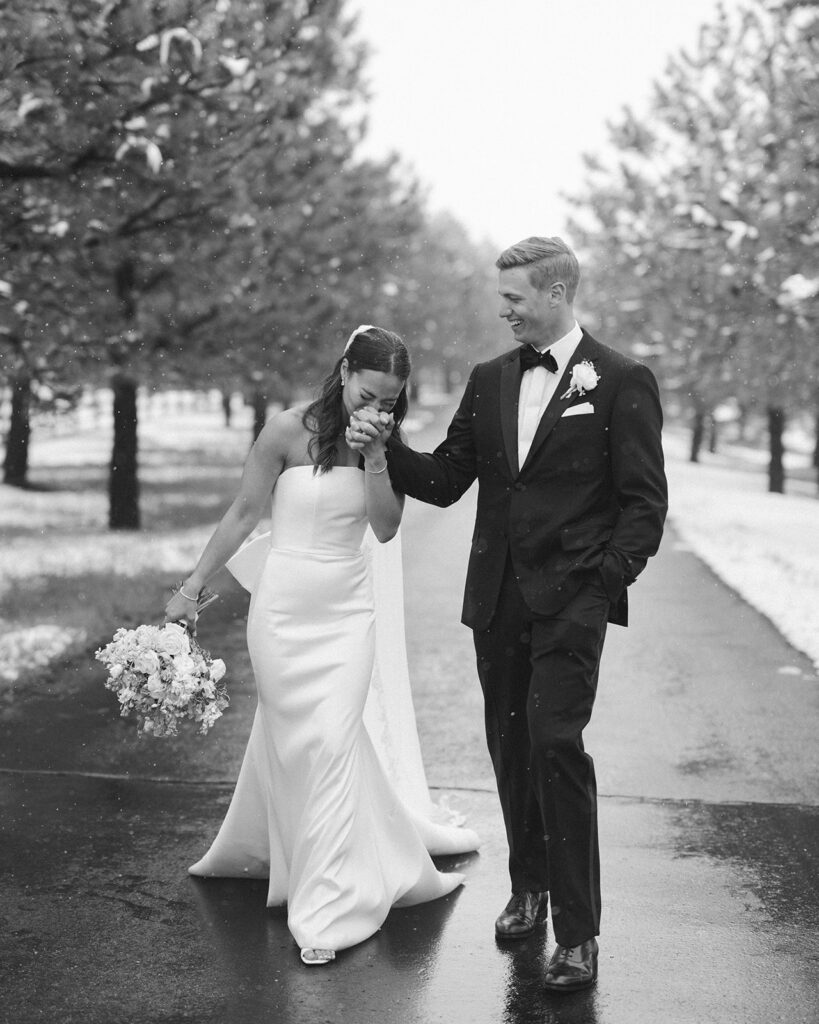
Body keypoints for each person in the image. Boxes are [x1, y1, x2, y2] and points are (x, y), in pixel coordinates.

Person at [347, 237, 667, 992]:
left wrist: (601, 582)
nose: (504, 310)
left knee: (556, 744)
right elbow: (447, 479)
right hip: (496, 599)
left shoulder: (620, 380)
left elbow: (643, 504)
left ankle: (579, 934)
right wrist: (386, 446)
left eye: (515, 298)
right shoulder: (489, 379)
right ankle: (529, 887)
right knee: (510, 746)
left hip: (571, 604)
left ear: (555, 293)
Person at [165, 325, 479, 966]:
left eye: (389, 402)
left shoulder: (386, 444)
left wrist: (378, 457)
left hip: (346, 613)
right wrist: (192, 585)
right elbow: (244, 513)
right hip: (282, 610)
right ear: (344, 373)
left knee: (333, 743)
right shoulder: (284, 430)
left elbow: (387, 530)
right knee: (296, 747)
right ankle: (301, 862)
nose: (376, 410)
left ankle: (329, 908)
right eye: (368, 394)